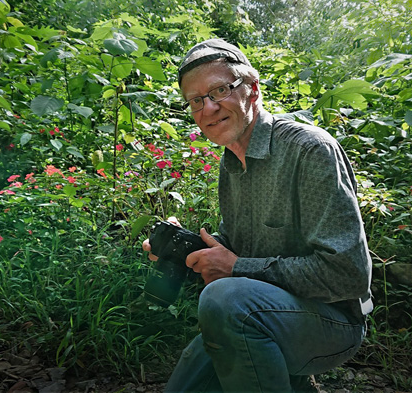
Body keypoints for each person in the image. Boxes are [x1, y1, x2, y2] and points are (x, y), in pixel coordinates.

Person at [142, 39, 373, 392]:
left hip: (333, 323)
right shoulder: (231, 161)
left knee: (225, 301)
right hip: (257, 313)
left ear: (252, 89)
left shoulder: (310, 149)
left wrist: (235, 267)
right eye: (196, 100)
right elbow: (237, 250)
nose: (209, 107)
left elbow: (349, 275)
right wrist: (188, 250)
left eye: (220, 90)